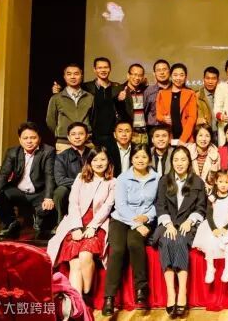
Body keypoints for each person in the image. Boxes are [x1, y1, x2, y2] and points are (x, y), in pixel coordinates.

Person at [46, 147, 116, 295]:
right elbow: (73, 203)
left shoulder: (113, 182)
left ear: (109, 162)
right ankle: (77, 301)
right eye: (95, 160)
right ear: (89, 162)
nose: (99, 163)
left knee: (85, 255)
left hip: (98, 224)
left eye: (103, 159)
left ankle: (87, 291)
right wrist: (76, 227)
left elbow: (107, 207)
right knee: (75, 262)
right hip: (76, 221)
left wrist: (93, 227)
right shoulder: (80, 178)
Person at [102, 144, 158, 316]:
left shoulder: (157, 178)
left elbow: (158, 203)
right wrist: (137, 224)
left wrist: (147, 217)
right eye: (136, 157)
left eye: (144, 157)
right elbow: (121, 205)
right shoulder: (123, 178)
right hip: (122, 219)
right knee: (118, 249)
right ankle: (109, 297)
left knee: (134, 243)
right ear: (131, 159)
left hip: (144, 218)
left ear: (149, 159)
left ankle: (141, 289)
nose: (140, 160)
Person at [152, 146, 206, 316]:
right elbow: (160, 205)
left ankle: (182, 291)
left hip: (187, 225)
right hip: (167, 223)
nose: (179, 163)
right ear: (171, 162)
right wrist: (168, 224)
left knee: (181, 240)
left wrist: (190, 221)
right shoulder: (164, 181)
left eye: (183, 159)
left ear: (189, 161)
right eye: (176, 160)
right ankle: (171, 292)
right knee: (167, 240)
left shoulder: (197, 182)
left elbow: (201, 208)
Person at [0, 122, 56, 240]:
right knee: (0, 194)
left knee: (43, 225)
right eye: (25, 138)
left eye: (33, 138)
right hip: (19, 192)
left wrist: (48, 197)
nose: (29, 141)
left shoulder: (48, 151)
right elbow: (3, 174)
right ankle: (10, 223)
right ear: (20, 140)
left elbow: (49, 175)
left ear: (39, 138)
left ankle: (39, 217)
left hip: (39, 193)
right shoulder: (12, 152)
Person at [52, 57, 119, 147]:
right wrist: (60, 131)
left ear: (110, 69)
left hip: (107, 135)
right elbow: (51, 121)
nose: (103, 70)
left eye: (105, 67)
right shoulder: (86, 87)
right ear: (94, 70)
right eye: (99, 67)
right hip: (83, 137)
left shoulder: (116, 88)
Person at [192, 170, 228, 284]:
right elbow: (209, 215)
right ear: (216, 182)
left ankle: (227, 269)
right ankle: (210, 268)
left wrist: (226, 227)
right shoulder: (211, 197)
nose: (223, 185)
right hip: (214, 224)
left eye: (226, 182)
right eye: (220, 181)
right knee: (209, 240)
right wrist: (214, 229)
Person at [46, 64, 94, 153]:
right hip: (64, 143)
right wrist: (62, 132)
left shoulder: (90, 97)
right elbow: (50, 121)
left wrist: (87, 132)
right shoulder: (56, 98)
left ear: (81, 76)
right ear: (64, 77)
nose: (72, 77)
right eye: (69, 74)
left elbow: (93, 118)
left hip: (86, 142)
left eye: (76, 74)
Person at [53, 122, 90, 222]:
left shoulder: (94, 154)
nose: (77, 137)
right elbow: (60, 180)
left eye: (81, 134)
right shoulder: (61, 157)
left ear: (87, 136)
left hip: (92, 187)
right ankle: (60, 222)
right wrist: (81, 183)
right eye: (73, 134)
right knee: (60, 191)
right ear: (68, 137)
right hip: (71, 189)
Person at [156, 63, 198, 145]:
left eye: (181, 75)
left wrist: (183, 139)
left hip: (186, 138)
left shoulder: (190, 93)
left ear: (185, 77)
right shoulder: (162, 93)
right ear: (171, 76)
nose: (178, 78)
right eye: (175, 75)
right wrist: (163, 118)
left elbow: (192, 118)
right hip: (168, 137)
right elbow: (158, 115)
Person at [112, 63, 149, 144]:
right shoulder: (118, 90)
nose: (137, 78)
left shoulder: (146, 91)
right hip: (127, 134)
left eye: (140, 75)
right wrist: (118, 99)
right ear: (128, 75)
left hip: (144, 134)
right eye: (135, 74)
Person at [185, 124, 221, 192]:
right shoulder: (187, 152)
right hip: (189, 189)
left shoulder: (216, 154)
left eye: (207, 136)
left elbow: (216, 180)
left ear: (211, 138)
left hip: (208, 191)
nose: (204, 139)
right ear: (195, 137)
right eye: (200, 135)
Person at [144, 59, 171, 135]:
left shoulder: (176, 89)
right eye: (158, 70)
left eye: (164, 69)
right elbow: (144, 112)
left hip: (173, 130)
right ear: (154, 73)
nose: (162, 72)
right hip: (153, 130)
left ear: (169, 71)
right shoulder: (148, 91)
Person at [196, 66, 220, 138]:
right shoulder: (196, 96)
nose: (210, 82)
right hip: (204, 134)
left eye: (213, 79)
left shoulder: (222, 95)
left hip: (221, 133)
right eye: (207, 78)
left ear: (218, 80)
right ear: (203, 79)